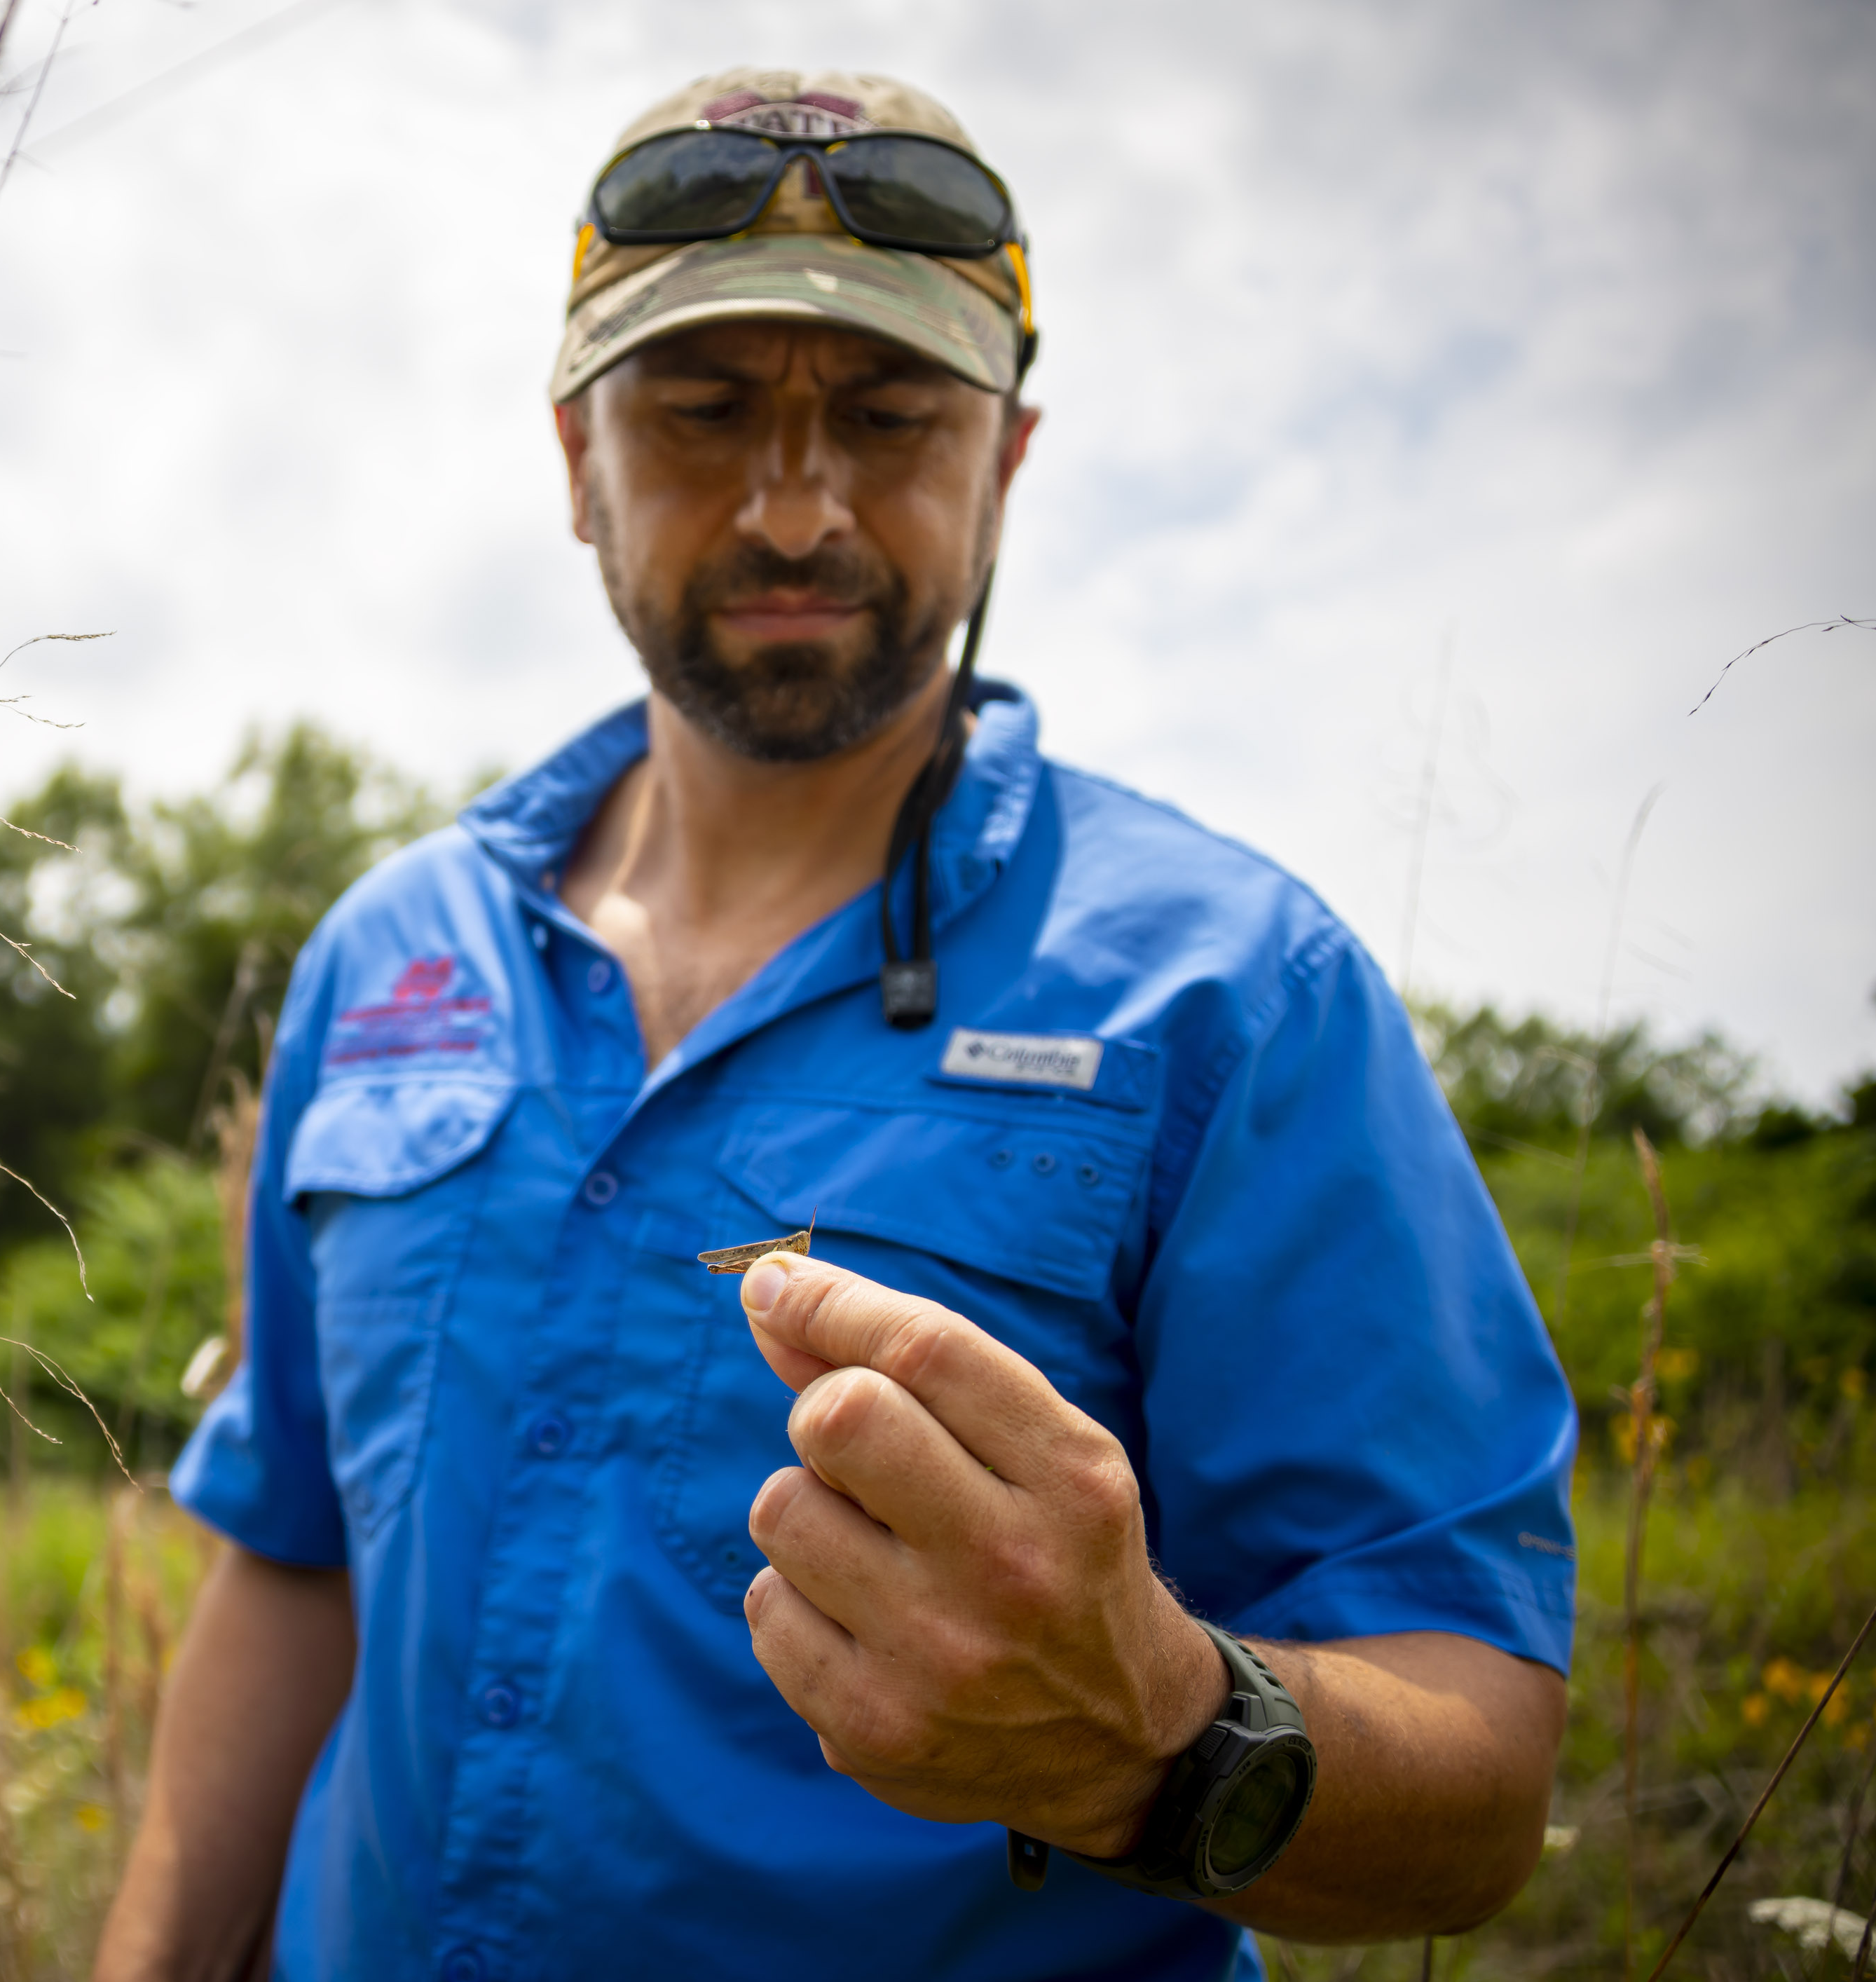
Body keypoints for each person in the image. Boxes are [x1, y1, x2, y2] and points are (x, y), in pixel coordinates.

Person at [95, 66, 1575, 1982]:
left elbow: (1476, 1777)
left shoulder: (1236, 994)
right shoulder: (390, 953)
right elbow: (296, 1554)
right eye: (701, 412)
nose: (793, 504)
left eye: (888, 417)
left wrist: (1159, 1729)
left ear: (1007, 462)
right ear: (572, 459)